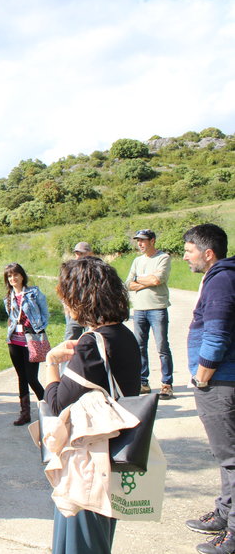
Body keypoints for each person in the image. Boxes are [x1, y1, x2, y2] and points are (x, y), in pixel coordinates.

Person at [42, 256, 141, 554]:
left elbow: (57, 403)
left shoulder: (90, 344)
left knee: (79, 541)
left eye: (66, 297)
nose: (65, 306)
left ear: (81, 297)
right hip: (115, 457)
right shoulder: (124, 335)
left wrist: (51, 363)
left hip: (88, 463)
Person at [181, 223, 235, 554]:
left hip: (220, 382)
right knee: (226, 456)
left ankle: (232, 535)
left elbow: (217, 334)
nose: (186, 256)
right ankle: (225, 513)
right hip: (222, 380)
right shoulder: (224, 277)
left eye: (188, 250)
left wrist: (202, 376)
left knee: (231, 458)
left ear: (208, 253)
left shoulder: (222, 280)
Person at [126, 229, 174, 399]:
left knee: (162, 347)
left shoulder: (163, 258)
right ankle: (143, 382)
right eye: (138, 240)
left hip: (157, 308)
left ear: (152, 241)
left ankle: (167, 384)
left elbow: (157, 280)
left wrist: (138, 280)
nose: (140, 244)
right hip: (139, 309)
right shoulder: (137, 260)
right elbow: (128, 284)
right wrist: (144, 281)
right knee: (139, 347)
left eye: (143, 240)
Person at [2, 263, 49, 426]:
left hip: (31, 340)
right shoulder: (8, 298)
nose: (13, 278)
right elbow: (11, 317)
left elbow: (45, 313)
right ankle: (25, 413)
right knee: (22, 377)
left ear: (22, 276)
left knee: (31, 378)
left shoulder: (34, 293)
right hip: (14, 341)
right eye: (9, 276)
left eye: (15, 275)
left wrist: (38, 328)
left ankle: (48, 409)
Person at [63, 242, 93, 340]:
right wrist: (67, 307)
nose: (79, 256)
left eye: (81, 253)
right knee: (69, 339)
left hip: (92, 311)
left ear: (90, 253)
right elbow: (64, 288)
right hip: (75, 311)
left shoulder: (97, 268)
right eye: (77, 253)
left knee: (92, 340)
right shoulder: (71, 268)